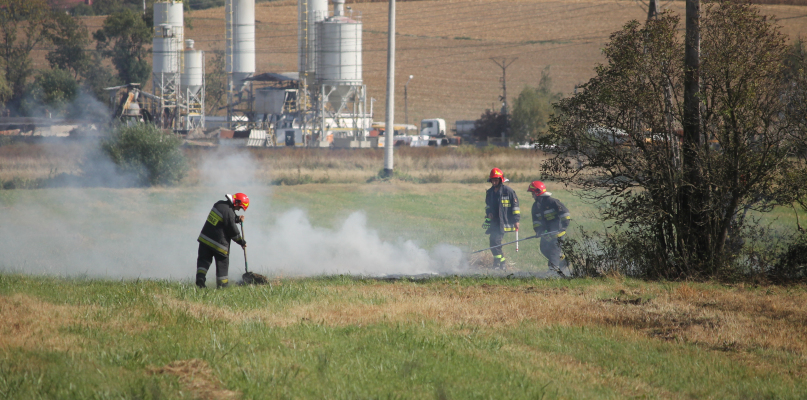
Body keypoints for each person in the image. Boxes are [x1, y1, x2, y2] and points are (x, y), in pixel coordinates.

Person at [196, 193, 249, 288]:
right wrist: (241, 241)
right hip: (219, 245)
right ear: (236, 203)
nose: (238, 209)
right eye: (239, 207)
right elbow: (232, 229)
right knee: (222, 265)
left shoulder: (218, 204)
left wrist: (237, 218)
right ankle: (222, 286)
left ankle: (200, 278)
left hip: (205, 240)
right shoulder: (229, 212)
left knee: (204, 260)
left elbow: (225, 218)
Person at [527, 181, 572, 277]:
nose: (532, 196)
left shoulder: (552, 202)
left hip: (557, 233)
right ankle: (563, 261)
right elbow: (536, 222)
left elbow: (565, 213)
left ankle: (553, 271)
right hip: (546, 234)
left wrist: (564, 226)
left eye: (533, 193)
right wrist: (538, 231)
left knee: (553, 251)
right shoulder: (535, 206)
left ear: (538, 192)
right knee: (544, 249)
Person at [484, 168, 520, 269]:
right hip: (494, 221)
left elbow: (515, 206)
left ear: (501, 180)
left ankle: (499, 264)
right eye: (493, 180)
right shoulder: (490, 192)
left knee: (496, 241)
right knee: (493, 242)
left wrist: (516, 220)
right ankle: (501, 262)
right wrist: (489, 213)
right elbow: (487, 206)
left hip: (504, 221)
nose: (494, 182)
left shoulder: (508, 191)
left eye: (496, 180)